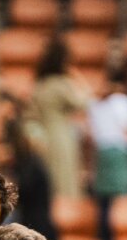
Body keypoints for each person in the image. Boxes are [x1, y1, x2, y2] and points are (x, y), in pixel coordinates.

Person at [31, 39, 91, 200]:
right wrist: (76, 76)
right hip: (62, 136)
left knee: (49, 180)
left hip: (44, 136)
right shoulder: (61, 84)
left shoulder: (40, 84)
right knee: (64, 180)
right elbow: (84, 101)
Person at [88, 70, 127, 240]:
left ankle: (104, 239)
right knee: (121, 198)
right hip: (119, 151)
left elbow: (91, 133)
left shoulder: (96, 104)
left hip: (102, 152)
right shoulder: (124, 102)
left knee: (104, 199)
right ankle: (121, 239)